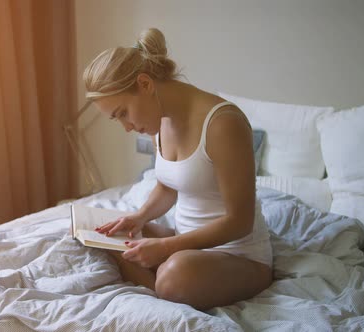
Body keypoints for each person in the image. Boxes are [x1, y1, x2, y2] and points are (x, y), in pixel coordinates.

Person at [82, 28, 273, 311]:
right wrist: (138, 217)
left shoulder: (222, 123)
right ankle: (162, 284)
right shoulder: (158, 118)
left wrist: (166, 248)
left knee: (174, 275)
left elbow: (239, 221)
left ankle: (162, 286)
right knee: (110, 238)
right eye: (116, 119)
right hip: (184, 243)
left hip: (237, 255)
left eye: (122, 112)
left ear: (145, 84)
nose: (126, 127)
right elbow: (168, 185)